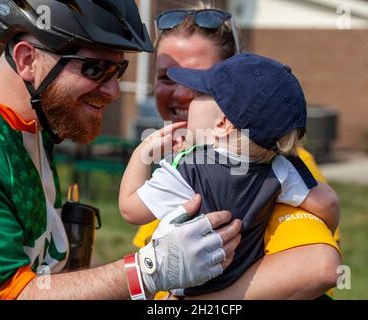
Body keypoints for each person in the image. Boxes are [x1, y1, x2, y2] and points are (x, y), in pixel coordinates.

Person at [0, 0, 242, 300]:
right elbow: (6, 294)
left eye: (119, 70)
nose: (114, 91)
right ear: (27, 60)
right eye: (96, 69)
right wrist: (146, 271)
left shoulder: (34, 127)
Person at [132, 6, 343, 299]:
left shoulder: (275, 165)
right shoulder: (181, 163)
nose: (182, 93)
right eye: (167, 77)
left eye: (200, 82)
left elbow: (319, 267)